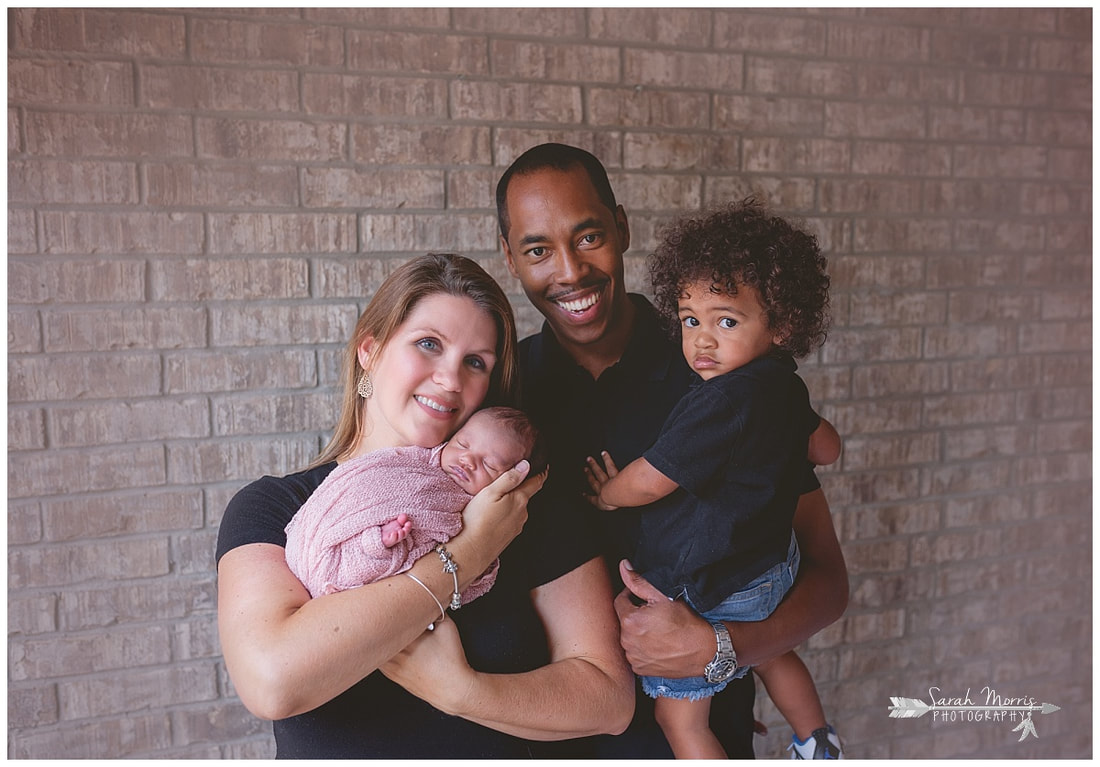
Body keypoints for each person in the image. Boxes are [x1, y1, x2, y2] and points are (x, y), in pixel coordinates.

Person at [496, 144, 849, 758]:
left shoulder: (727, 373)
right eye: (537, 250)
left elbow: (828, 582)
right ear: (510, 258)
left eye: (588, 237)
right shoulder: (502, 393)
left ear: (622, 228)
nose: (570, 272)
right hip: (555, 737)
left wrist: (726, 648)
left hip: (699, 732)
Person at [216, 253, 634, 758]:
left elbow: (610, 701)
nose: (451, 380)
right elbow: (272, 681)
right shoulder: (275, 509)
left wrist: (464, 692)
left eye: (475, 362)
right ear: (369, 351)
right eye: (429, 345)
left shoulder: (520, 502)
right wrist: (470, 553)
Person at [584, 199, 843, 759]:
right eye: (690, 320)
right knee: (773, 654)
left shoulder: (720, 401)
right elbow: (827, 447)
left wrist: (608, 494)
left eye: (725, 321)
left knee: (681, 723)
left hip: (718, 587)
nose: (702, 341)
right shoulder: (784, 385)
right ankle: (817, 741)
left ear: (782, 324)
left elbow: (652, 481)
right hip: (774, 569)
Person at [284, 406, 543, 605]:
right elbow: (367, 478)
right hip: (322, 544)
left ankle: (374, 546)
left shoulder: (477, 512)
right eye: (462, 444)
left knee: (378, 551)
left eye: (489, 465)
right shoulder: (415, 460)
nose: (467, 460)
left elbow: (469, 580)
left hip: (372, 574)